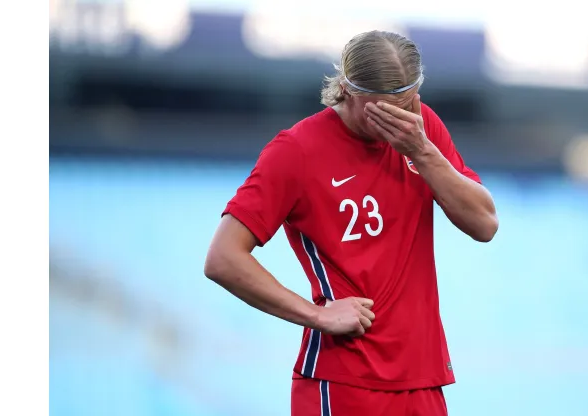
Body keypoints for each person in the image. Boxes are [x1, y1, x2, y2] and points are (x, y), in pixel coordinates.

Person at [204, 30, 499, 416]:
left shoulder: (420, 130)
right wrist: (317, 315)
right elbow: (222, 258)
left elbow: (485, 225)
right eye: (379, 111)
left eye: (404, 105)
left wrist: (423, 152)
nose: (394, 121)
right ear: (347, 89)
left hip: (423, 378)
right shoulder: (297, 150)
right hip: (343, 380)